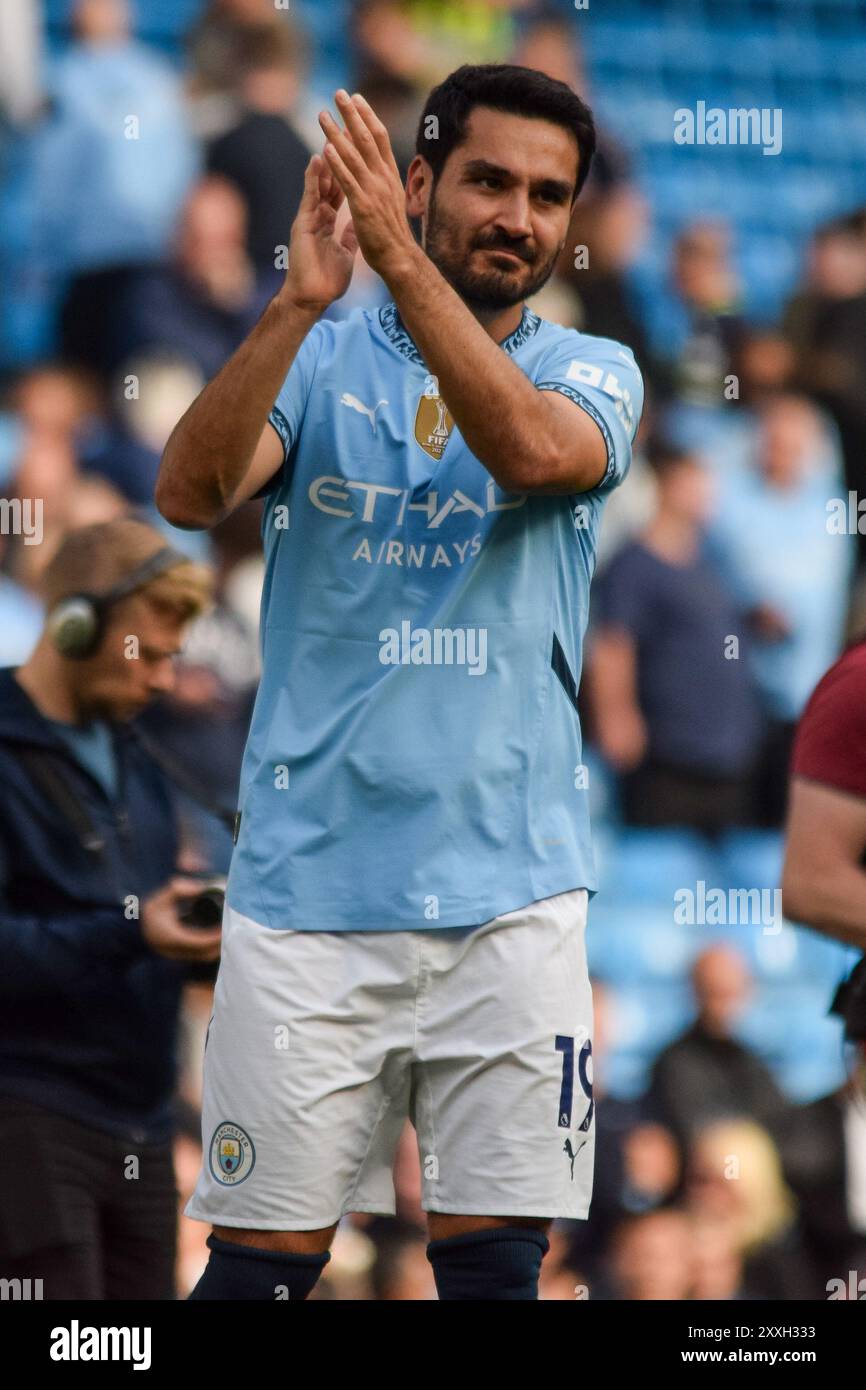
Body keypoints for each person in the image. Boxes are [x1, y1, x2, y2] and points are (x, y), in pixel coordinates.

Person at [157, 63, 644, 1301]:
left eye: (547, 195)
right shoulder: (315, 357)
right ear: (416, 183)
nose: (517, 218)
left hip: (513, 906)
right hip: (305, 897)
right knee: (255, 1278)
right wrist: (293, 303)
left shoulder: (593, 369)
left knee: (494, 1277)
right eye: (487, 181)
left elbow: (526, 450)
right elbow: (188, 494)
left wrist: (392, 259)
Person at [0, 518, 219, 1299]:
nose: (162, 681)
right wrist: (131, 930)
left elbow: (138, 927)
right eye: (149, 655)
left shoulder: (141, 759)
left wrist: (201, 943)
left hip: (142, 1129)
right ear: (75, 624)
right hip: (30, 1117)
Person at [588, 441, 764, 833]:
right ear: (667, 486)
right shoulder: (633, 565)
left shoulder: (711, 563)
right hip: (666, 759)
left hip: (725, 757)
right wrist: (616, 716)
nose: (708, 492)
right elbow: (612, 644)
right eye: (695, 481)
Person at [644, 946, 790, 1149]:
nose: (724, 1006)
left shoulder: (752, 1062)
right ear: (696, 992)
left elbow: (781, 1123)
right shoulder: (675, 1064)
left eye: (731, 993)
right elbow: (702, 1135)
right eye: (714, 993)